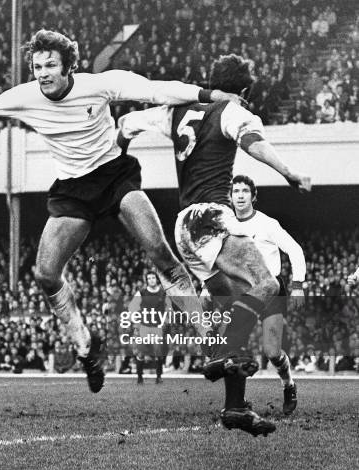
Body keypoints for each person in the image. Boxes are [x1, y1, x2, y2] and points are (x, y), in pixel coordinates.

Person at [0, 29, 243, 393]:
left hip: (114, 178)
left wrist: (210, 95)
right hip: (73, 191)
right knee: (46, 274)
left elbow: (157, 90)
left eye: (51, 65)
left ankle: (211, 341)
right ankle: (84, 343)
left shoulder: (100, 85)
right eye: (37, 66)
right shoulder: (24, 97)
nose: (43, 73)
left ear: (69, 68)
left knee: (160, 253)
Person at [117, 54, 311, 436]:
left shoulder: (176, 111)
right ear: (242, 91)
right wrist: (289, 173)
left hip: (182, 225)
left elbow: (126, 124)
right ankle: (219, 355)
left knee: (230, 305)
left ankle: (234, 406)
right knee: (267, 285)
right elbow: (254, 143)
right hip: (210, 217)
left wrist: (118, 160)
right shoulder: (232, 110)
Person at [231, 174, 305, 414]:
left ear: (253, 196)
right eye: (236, 191)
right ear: (230, 197)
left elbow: (294, 249)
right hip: (243, 291)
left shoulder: (267, 224)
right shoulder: (226, 226)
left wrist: (298, 285)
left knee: (272, 351)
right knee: (233, 349)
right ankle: (236, 402)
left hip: (271, 289)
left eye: (244, 191)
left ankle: (288, 385)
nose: (240, 195)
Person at [128, 270, 170, 384]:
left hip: (157, 327)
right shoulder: (141, 292)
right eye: (149, 278)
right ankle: (140, 378)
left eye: (153, 278)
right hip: (144, 327)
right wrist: (136, 321)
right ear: (146, 281)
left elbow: (168, 309)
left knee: (158, 352)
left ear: (157, 279)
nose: (151, 280)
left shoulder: (163, 293)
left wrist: (165, 322)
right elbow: (132, 307)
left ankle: (158, 377)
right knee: (140, 352)